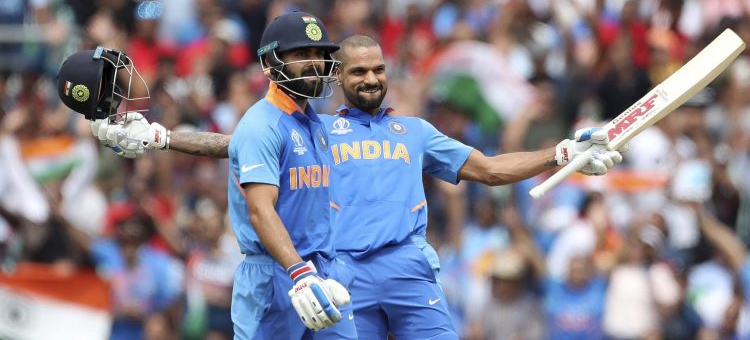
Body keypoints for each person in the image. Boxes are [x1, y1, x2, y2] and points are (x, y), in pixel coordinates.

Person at [83, 34, 623, 339]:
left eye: (379, 69)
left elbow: (489, 168)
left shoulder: (415, 132)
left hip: (410, 269)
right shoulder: (315, 129)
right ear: (338, 77)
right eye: (359, 71)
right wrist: (160, 137)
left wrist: (561, 154)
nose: (371, 79)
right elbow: (234, 144)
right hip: (342, 274)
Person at [56, 12, 356, 340]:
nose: (314, 63)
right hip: (279, 275)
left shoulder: (314, 124)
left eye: (319, 54)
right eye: (301, 55)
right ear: (271, 64)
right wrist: (300, 273)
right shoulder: (262, 124)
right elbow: (260, 209)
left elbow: (231, 145)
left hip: (320, 270)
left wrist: (162, 137)